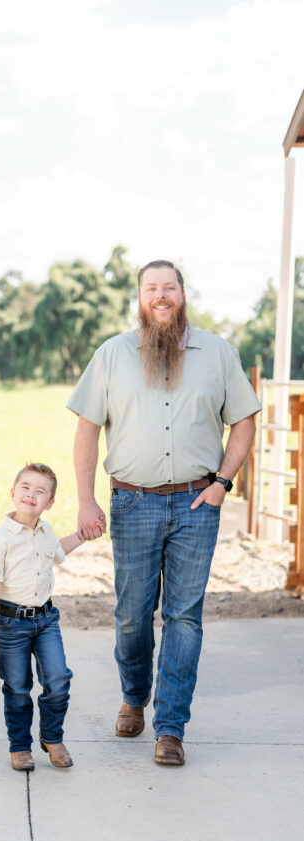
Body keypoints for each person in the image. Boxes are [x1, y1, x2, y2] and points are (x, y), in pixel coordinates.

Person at [68, 260, 261, 766]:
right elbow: (86, 430)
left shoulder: (218, 353)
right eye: (151, 288)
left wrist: (222, 484)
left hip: (199, 503)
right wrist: (86, 499)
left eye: (168, 287)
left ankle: (170, 727)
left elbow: (244, 423)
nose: (160, 296)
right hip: (132, 501)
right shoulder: (111, 355)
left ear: (182, 295)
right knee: (132, 616)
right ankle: (135, 697)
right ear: (139, 297)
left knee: (184, 616)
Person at [0, 463, 83, 772]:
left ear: (50, 503)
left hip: (46, 620)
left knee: (58, 679)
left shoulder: (46, 532)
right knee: (18, 686)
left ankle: (52, 738)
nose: (31, 494)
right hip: (10, 623)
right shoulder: (0, 541)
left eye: (40, 491)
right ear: (13, 493)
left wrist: (83, 535)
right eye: (26, 487)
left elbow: (59, 551)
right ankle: (20, 746)